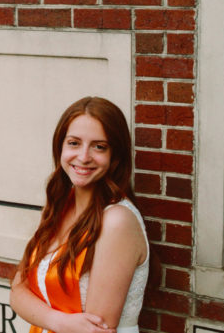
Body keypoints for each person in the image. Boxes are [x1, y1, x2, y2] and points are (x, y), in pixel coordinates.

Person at [10, 96, 149, 333]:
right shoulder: (60, 205)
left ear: (115, 156)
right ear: (60, 147)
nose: (84, 157)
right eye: (74, 143)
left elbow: (95, 330)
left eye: (99, 146)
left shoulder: (117, 222)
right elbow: (17, 291)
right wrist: (58, 321)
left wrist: (46, 316)